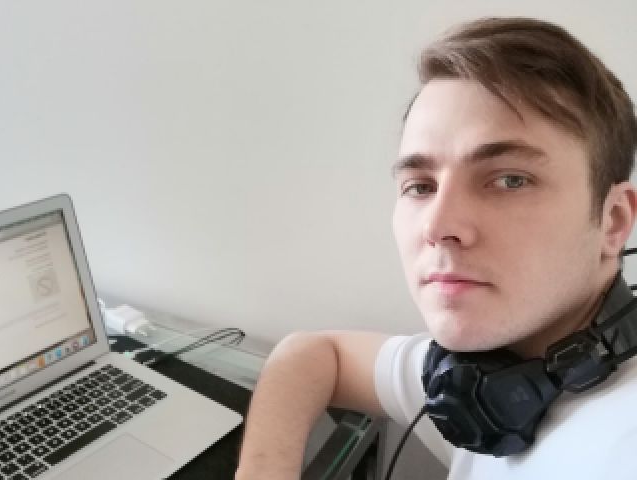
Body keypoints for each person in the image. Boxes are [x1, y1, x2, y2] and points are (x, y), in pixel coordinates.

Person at [235, 16, 637, 479]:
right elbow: (313, 353)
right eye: (421, 186)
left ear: (613, 220)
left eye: (510, 180)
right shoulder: (494, 373)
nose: (438, 226)